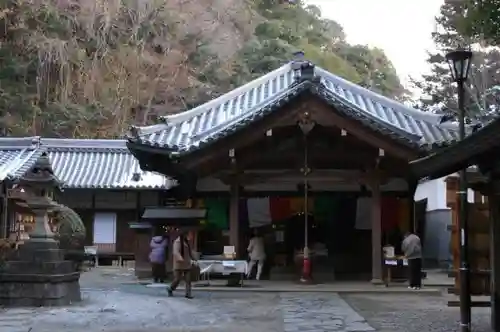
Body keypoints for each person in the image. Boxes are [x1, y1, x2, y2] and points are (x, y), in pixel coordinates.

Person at [167, 230, 195, 299]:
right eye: (189, 234)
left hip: (187, 264)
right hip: (179, 264)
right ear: (184, 235)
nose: (190, 236)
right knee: (177, 279)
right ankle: (170, 288)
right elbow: (176, 252)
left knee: (188, 280)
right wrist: (180, 258)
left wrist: (194, 258)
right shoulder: (177, 242)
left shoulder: (187, 242)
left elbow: (189, 252)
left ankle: (188, 293)